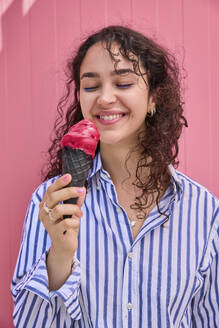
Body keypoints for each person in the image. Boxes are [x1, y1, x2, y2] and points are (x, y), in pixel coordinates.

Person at [11, 25, 219, 327]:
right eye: (91, 86)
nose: (105, 98)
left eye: (123, 83)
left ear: (153, 99)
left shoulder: (204, 211)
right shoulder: (51, 203)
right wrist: (59, 256)